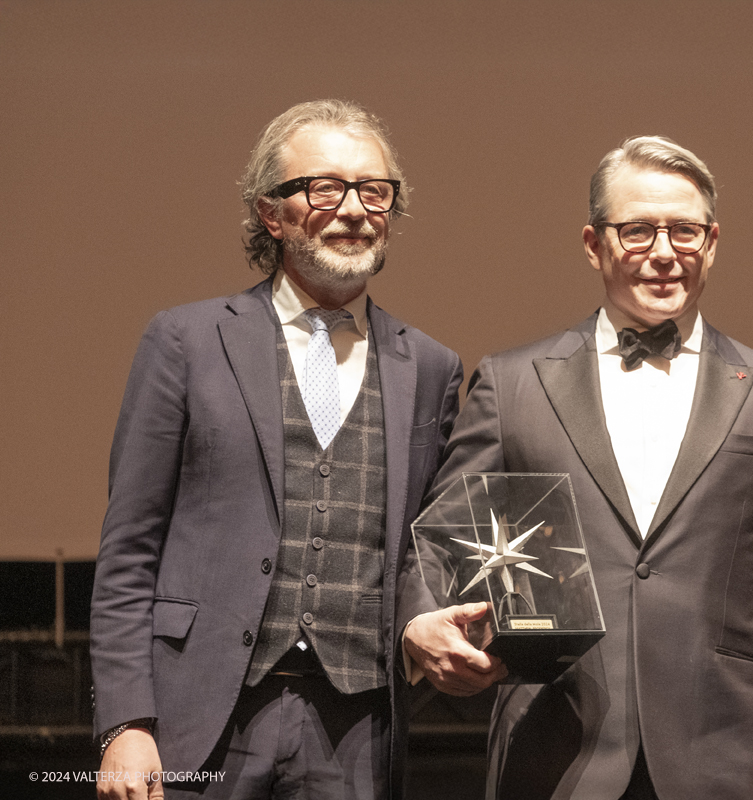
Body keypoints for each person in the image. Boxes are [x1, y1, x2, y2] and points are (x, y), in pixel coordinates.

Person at [403, 136, 753, 800]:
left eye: (684, 232)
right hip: (553, 757)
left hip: (730, 761)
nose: (664, 252)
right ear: (593, 244)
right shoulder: (512, 383)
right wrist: (418, 624)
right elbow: (439, 539)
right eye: (638, 231)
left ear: (713, 242)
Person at [90, 99, 501, 800]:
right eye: (324, 187)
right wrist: (125, 721)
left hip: (358, 726)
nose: (353, 208)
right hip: (201, 715)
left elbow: (417, 551)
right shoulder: (186, 342)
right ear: (270, 214)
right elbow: (130, 545)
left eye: (374, 190)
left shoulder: (431, 366)